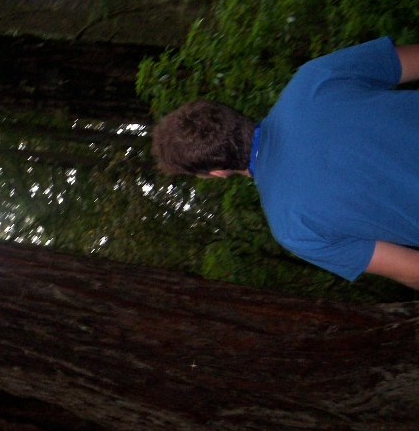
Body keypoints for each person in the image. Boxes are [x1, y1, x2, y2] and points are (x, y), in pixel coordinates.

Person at [152, 37, 419, 289]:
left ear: (217, 172)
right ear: (231, 115)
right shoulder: (313, 78)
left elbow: (413, 271)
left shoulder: (293, 228)